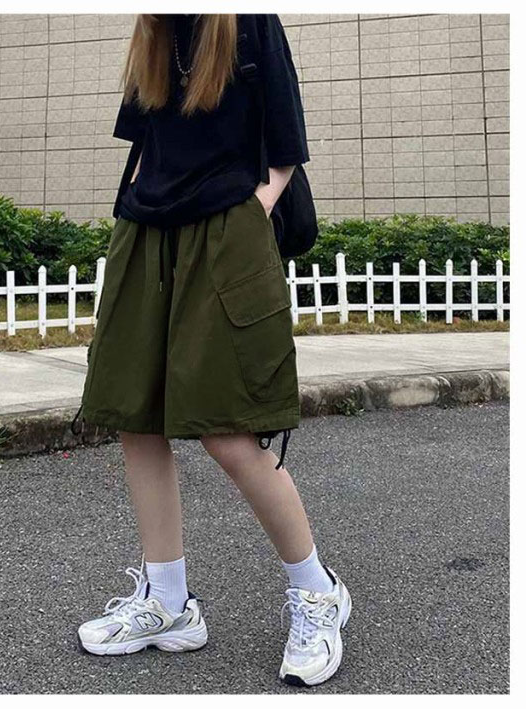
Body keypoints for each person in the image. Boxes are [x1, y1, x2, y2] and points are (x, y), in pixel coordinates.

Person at [74, 14, 351, 687]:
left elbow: (286, 144)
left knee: (229, 428)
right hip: (146, 229)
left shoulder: (249, 20)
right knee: (135, 415)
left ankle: (319, 593)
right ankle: (168, 603)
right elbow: (145, 139)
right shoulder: (154, 30)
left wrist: (249, 215)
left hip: (226, 227)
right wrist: (134, 207)